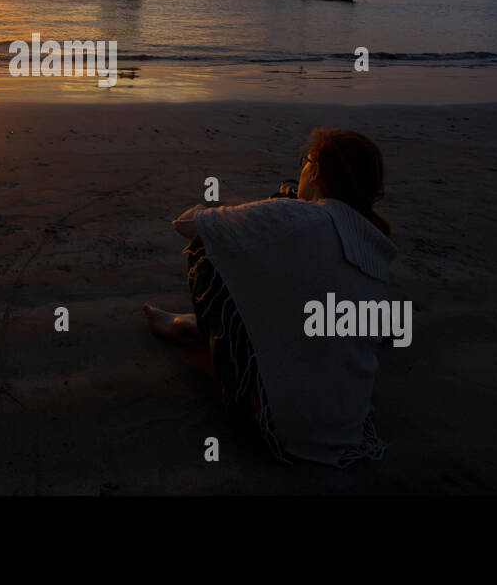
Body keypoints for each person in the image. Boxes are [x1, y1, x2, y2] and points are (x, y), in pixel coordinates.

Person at [143, 127, 396, 466]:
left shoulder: (297, 215)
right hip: (347, 424)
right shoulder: (375, 241)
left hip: (278, 426)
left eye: (305, 161)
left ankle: (202, 332)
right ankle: (207, 332)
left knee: (207, 250)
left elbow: (187, 223)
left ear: (315, 171)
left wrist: (246, 211)